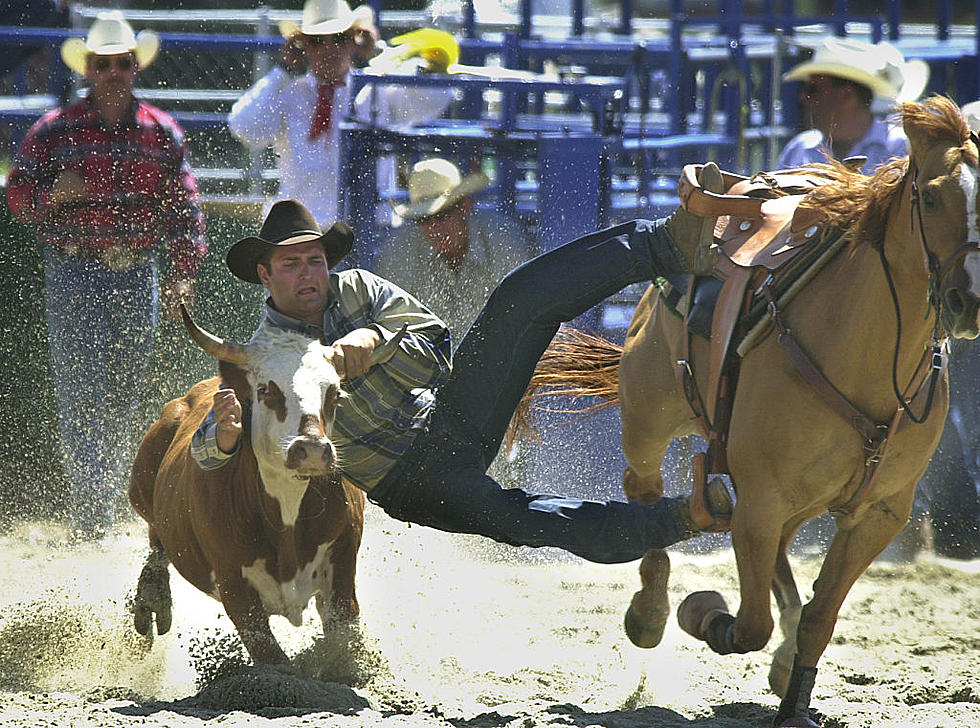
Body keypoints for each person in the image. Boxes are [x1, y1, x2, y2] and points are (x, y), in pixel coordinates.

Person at [189, 198, 732, 564]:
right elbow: (208, 454)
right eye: (290, 265)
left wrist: (377, 342)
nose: (307, 273)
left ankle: (669, 241)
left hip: (449, 411)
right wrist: (224, 437)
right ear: (265, 275)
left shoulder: (356, 288)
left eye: (314, 260)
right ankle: (678, 518)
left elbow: (437, 350)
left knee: (516, 300)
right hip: (411, 483)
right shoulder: (266, 356)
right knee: (520, 517)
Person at [6, 11, 207, 536]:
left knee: (117, 395)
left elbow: (186, 209)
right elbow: (18, 198)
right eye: (104, 63)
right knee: (81, 392)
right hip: (76, 271)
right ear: (90, 69)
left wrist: (182, 273)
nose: (113, 71)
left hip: (134, 271)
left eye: (121, 62)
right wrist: (54, 197)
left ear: (133, 66)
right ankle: (95, 515)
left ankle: (98, 510)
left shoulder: (160, 132)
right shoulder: (56, 130)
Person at [227, 0, 454, 242]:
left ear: (353, 41)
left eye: (338, 38)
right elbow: (243, 127)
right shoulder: (289, 92)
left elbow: (437, 97)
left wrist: (380, 56)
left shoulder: (375, 88)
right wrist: (283, 70)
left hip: (370, 226)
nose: (328, 49)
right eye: (316, 41)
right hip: (303, 231)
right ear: (302, 46)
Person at [376, 158, 537, 335]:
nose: (434, 228)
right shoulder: (397, 252)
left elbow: (525, 322)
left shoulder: (507, 243)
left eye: (442, 214)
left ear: (465, 207)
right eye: (423, 219)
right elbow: (390, 326)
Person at [777, 36, 929, 174]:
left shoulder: (902, 149)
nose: (803, 97)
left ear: (847, 94)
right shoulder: (799, 147)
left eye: (812, 89)